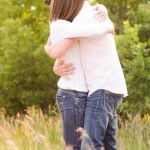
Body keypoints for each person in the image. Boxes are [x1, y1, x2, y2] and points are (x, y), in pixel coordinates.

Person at [49, 1, 128, 150]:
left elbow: (55, 49)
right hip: (111, 86)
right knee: (108, 145)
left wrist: (108, 26)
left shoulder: (83, 18)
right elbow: (61, 46)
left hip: (102, 87)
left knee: (89, 145)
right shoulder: (93, 13)